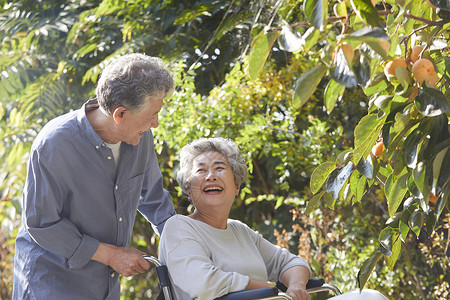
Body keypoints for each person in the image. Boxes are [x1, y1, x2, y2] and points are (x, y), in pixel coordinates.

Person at [13, 53, 177, 300]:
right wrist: (112, 256)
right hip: (50, 283)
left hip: (104, 286)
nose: (155, 123)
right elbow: (41, 223)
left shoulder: (140, 136)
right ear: (120, 114)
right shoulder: (54, 145)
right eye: (151, 115)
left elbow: (154, 201)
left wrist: (184, 244)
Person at [158, 137, 312, 300]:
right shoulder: (179, 227)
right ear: (188, 188)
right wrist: (263, 287)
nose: (211, 176)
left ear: (237, 185)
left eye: (219, 168)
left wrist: (296, 287)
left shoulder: (241, 231)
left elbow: (292, 263)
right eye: (201, 170)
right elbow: (203, 283)